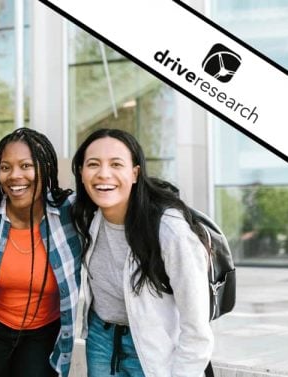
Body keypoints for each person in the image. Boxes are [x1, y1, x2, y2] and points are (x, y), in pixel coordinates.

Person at [70, 128, 214, 376]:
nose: (104, 174)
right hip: (100, 339)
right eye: (93, 164)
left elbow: (197, 329)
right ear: (81, 173)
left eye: (116, 164)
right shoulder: (86, 216)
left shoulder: (169, 230)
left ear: (135, 173)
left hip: (152, 345)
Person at [0, 128, 82, 377]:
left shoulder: (69, 214)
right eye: (6, 167)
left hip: (42, 335)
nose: (15, 176)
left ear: (45, 168)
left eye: (26, 165)